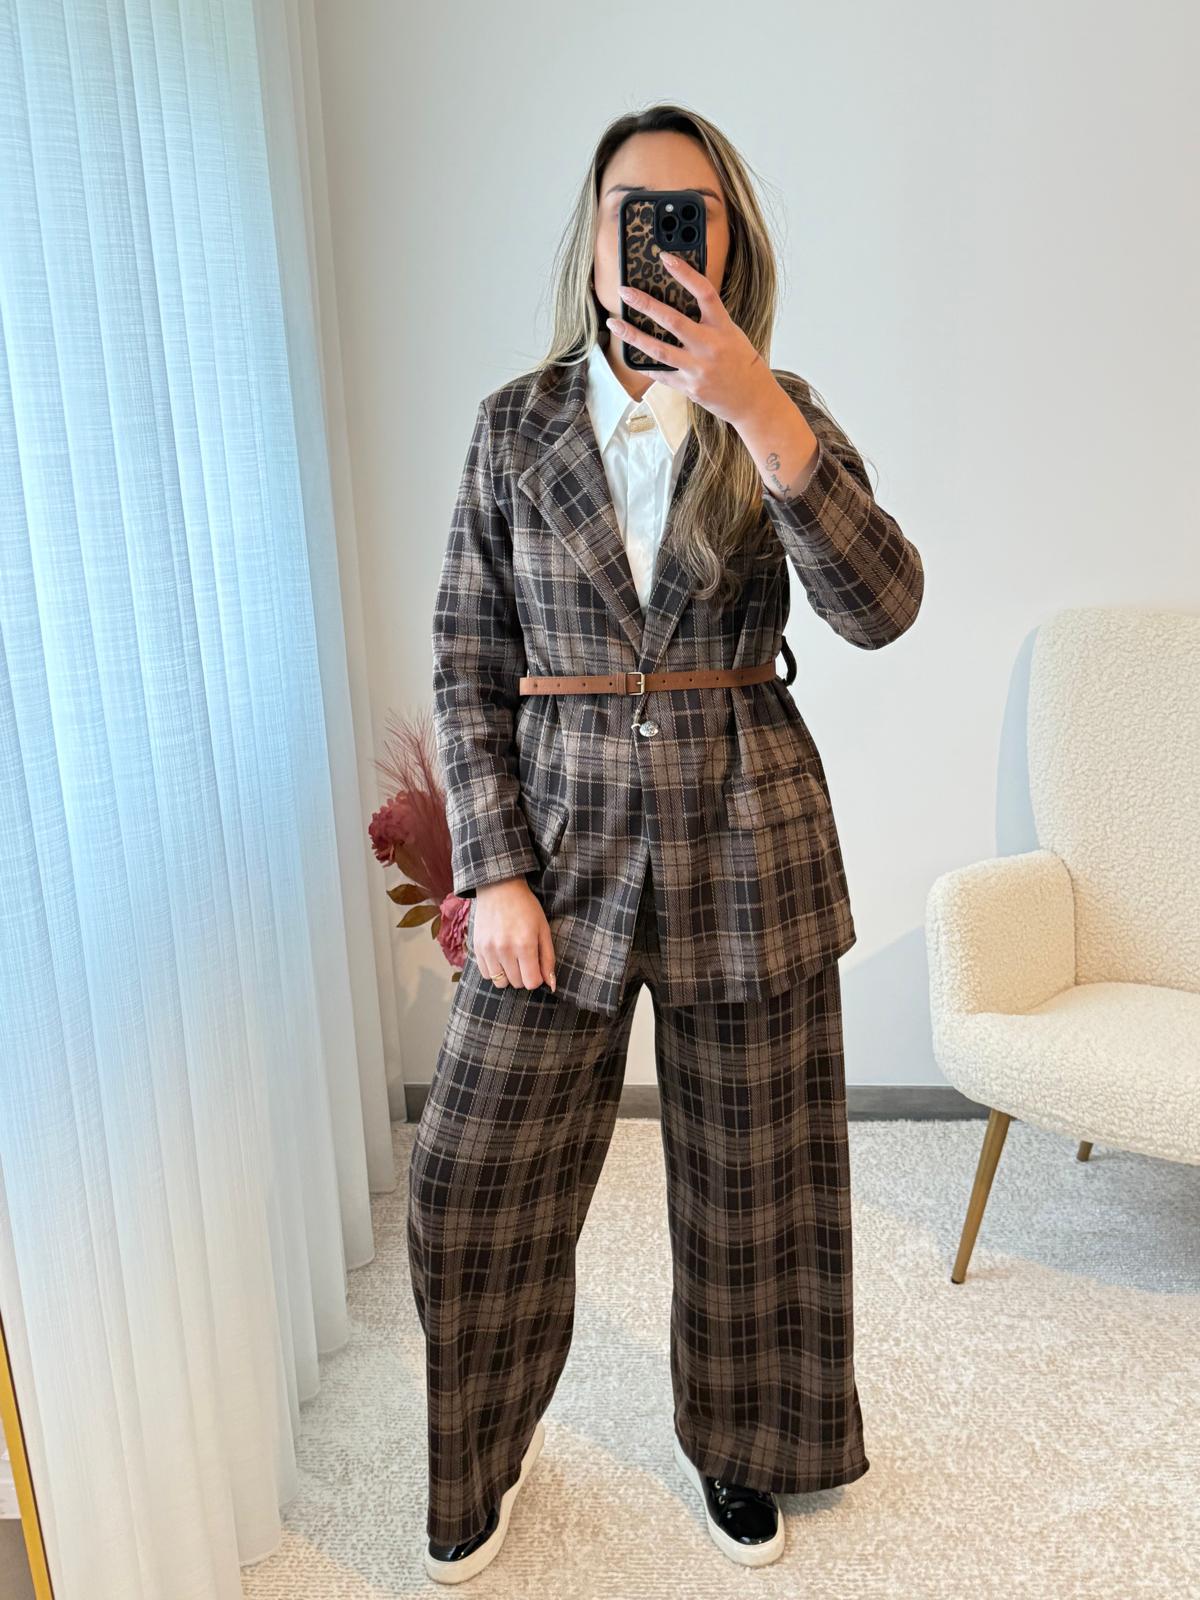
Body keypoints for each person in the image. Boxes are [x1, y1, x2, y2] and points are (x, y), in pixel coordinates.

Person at [408, 101, 924, 1584]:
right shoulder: (514, 426)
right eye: (634, 214)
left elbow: (883, 607)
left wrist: (760, 412)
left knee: (756, 1187)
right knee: (471, 1176)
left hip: (749, 840)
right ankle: (478, 1455)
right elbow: (467, 661)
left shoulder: (780, 410)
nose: (659, 242)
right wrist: (494, 868)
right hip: (555, 849)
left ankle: (747, 1449)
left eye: (690, 217)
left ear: (727, 242)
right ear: (594, 243)